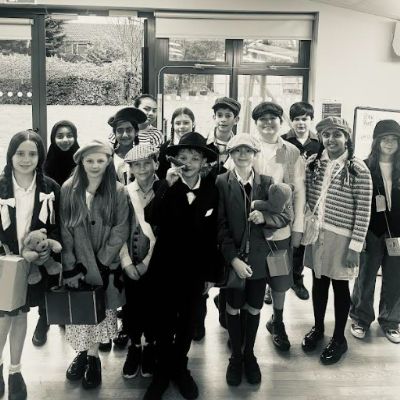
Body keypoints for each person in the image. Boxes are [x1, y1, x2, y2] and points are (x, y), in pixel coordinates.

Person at [143, 132, 221, 400]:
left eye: (194, 158)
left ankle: (180, 367)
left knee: (188, 322)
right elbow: (151, 216)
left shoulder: (212, 190)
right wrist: (166, 185)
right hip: (165, 266)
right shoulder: (166, 186)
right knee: (163, 321)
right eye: (183, 157)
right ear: (175, 161)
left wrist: (211, 273)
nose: (188, 163)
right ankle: (163, 372)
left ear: (203, 163)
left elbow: (213, 235)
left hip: (195, 270)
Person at [216, 133, 293, 387]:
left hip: (259, 261)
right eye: (237, 150)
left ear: (255, 154)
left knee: (254, 307)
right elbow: (220, 226)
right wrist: (233, 259)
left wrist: (265, 218)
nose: (242, 155)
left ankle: (249, 354)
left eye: (247, 150)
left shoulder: (268, 183)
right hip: (234, 261)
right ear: (230, 153)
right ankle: (235, 357)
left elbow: (285, 216)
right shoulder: (221, 182)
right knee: (233, 306)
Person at [302, 116, 372, 364]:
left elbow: (363, 211)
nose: (331, 139)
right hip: (317, 233)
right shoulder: (313, 163)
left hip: (342, 237)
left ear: (347, 137)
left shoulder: (358, 169)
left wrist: (355, 246)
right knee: (318, 282)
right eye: (326, 134)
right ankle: (318, 327)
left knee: (340, 287)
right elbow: (306, 197)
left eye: (337, 134)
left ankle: (339, 338)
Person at [61, 140, 129, 389]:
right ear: (81, 162)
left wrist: (102, 260)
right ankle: (81, 353)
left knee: (100, 311)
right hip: (78, 264)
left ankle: (93, 357)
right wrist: (71, 265)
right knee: (80, 312)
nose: (95, 165)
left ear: (109, 161)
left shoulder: (117, 190)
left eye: (100, 160)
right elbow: (65, 229)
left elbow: (121, 228)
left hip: (105, 266)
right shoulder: (69, 188)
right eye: (89, 161)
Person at [0, 130, 60, 400]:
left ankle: (15, 370)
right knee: (2, 317)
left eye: (32, 154)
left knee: (21, 315)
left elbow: (57, 227)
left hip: (32, 265)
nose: (26, 159)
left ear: (40, 157)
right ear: (10, 155)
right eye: (20, 153)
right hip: (3, 263)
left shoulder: (51, 188)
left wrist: (47, 251)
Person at [250, 101, 305, 351]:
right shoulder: (247, 147)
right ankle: (244, 324)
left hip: (281, 228)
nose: (268, 123)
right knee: (253, 277)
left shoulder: (290, 151)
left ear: (280, 122)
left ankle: (278, 321)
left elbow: (299, 192)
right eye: (262, 119)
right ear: (256, 123)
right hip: (252, 227)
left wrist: (298, 229)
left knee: (280, 278)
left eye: (273, 118)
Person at [29, 120, 80, 347]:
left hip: (75, 228)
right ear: (52, 138)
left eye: (69, 135)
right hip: (50, 231)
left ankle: (65, 314)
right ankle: (44, 318)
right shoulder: (45, 165)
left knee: (71, 272)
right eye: (60, 135)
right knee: (48, 275)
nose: (65, 139)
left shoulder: (81, 162)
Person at [350, 119, 400, 344]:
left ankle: (390, 321)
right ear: (376, 142)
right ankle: (360, 318)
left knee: (395, 278)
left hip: (397, 233)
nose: (389, 143)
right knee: (366, 277)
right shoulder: (363, 167)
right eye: (385, 139)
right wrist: (357, 235)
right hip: (370, 230)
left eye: (394, 139)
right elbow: (355, 202)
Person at [119, 144, 159, 379]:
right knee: (131, 308)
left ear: (156, 163)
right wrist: (126, 262)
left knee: (154, 306)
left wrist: (147, 262)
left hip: (157, 263)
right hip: (130, 263)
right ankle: (134, 347)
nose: (142, 169)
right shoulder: (124, 192)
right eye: (137, 165)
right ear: (130, 168)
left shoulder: (165, 190)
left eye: (147, 163)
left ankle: (150, 346)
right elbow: (118, 230)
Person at [207, 97, 241, 332]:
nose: (223, 119)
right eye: (220, 115)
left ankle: (225, 306)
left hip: (230, 209)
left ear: (235, 119)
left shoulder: (240, 145)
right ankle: (199, 314)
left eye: (228, 115)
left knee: (229, 257)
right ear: (214, 117)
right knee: (208, 258)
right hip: (207, 210)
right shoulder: (205, 144)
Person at [281, 102, 321, 301]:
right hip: (287, 197)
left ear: (311, 120)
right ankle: (274, 283)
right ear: (291, 121)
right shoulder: (282, 141)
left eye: (304, 118)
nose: (300, 123)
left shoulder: (319, 143)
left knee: (300, 242)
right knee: (280, 240)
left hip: (310, 199)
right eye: (296, 119)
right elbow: (278, 167)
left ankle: (296, 279)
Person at [108, 107, 147, 185]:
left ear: (136, 132)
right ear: (115, 133)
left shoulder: (144, 157)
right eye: (120, 130)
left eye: (129, 130)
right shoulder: (108, 158)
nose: (125, 135)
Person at [157, 107, 196, 179]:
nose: (182, 126)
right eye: (178, 123)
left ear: (193, 123)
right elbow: (160, 175)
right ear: (173, 125)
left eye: (186, 123)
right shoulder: (165, 148)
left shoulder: (202, 146)